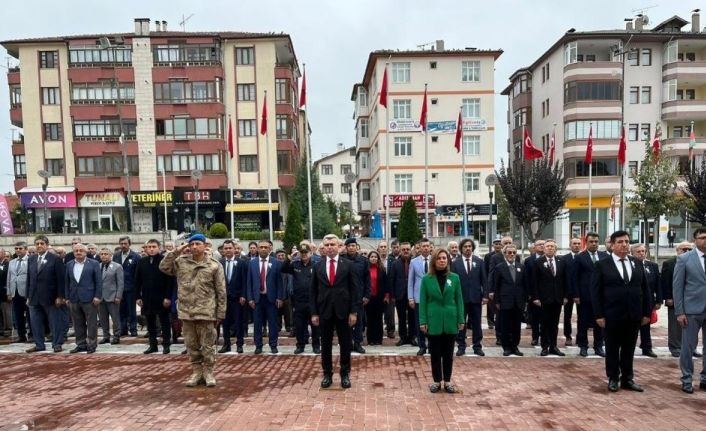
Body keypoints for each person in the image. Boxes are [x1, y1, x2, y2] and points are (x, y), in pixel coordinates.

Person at [160, 234, 226, 387]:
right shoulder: (181, 262)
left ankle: (208, 372)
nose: (194, 247)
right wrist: (178, 250)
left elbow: (221, 291)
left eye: (197, 244)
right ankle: (197, 372)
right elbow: (164, 266)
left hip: (206, 311)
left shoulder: (214, 265)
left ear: (205, 246)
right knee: (191, 345)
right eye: (192, 244)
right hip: (187, 311)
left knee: (208, 345)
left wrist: (221, 312)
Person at [591, 230, 651, 393]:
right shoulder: (602, 264)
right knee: (611, 348)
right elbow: (595, 292)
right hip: (611, 315)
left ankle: (627, 378)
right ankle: (613, 378)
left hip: (633, 314)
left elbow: (645, 289)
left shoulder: (637, 263)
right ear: (611, 245)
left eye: (626, 241)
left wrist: (647, 312)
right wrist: (599, 315)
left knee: (629, 348)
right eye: (620, 242)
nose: (624, 245)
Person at [311, 234, 360, 389]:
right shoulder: (317, 266)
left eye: (333, 244)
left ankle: (345, 374)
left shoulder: (348, 265)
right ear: (323, 248)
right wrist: (314, 313)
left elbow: (354, 289)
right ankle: (327, 374)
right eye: (327, 245)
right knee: (325, 344)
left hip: (344, 311)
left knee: (345, 344)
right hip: (324, 311)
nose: (330, 247)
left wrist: (353, 312)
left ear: (339, 246)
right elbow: (313, 291)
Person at [419, 248, 464, 394]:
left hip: (451, 319)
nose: (442, 260)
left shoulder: (455, 278)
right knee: (435, 353)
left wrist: (461, 319)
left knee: (448, 353)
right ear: (434, 261)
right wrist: (423, 321)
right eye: (439, 258)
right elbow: (423, 301)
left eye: (444, 258)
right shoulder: (427, 279)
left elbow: (459, 300)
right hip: (434, 320)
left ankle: (448, 381)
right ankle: (436, 381)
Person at [672, 228, 706, 394]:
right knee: (688, 347)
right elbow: (677, 287)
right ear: (695, 240)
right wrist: (680, 312)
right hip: (692, 310)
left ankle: (705, 378)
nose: (705, 240)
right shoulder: (684, 259)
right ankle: (687, 379)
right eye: (702, 238)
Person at [26, 235, 67, 353]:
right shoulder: (31, 259)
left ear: (47, 245)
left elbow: (61, 279)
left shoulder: (55, 259)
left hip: (51, 297)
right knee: (35, 322)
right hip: (34, 297)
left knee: (54, 322)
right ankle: (39, 344)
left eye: (41, 243)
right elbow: (29, 279)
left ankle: (57, 344)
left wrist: (60, 296)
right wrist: (28, 296)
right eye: (37, 243)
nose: (39, 246)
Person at [532, 239, 571, 356]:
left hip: (557, 298)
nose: (550, 248)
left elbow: (566, 280)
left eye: (552, 246)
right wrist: (536, 297)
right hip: (544, 299)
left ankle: (553, 346)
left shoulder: (561, 262)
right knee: (544, 324)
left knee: (554, 324)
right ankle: (545, 346)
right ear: (544, 249)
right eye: (547, 246)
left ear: (556, 249)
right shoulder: (538, 262)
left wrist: (565, 296)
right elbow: (534, 281)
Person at [136, 239, 174, 354]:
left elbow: (170, 280)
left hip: (162, 298)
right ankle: (153, 345)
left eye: (154, 246)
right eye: (149, 247)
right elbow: (137, 281)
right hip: (147, 297)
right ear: (145, 248)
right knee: (150, 322)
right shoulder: (142, 262)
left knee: (164, 322)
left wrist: (168, 297)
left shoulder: (164, 260)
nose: (151, 249)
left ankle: (166, 345)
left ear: (159, 247)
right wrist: (138, 297)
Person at [450, 238, 487, 356]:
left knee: (476, 323)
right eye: (465, 246)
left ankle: (477, 346)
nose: (467, 248)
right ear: (461, 248)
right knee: (461, 323)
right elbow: (451, 281)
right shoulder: (455, 263)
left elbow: (484, 280)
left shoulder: (479, 262)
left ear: (472, 248)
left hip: (476, 298)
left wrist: (485, 295)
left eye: (470, 246)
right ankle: (461, 346)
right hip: (461, 299)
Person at [281, 244, 320, 354]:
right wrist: (290, 258)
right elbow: (283, 269)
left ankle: (316, 346)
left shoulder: (316, 265)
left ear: (310, 253)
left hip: (313, 301)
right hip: (299, 301)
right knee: (299, 326)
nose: (304, 255)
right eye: (302, 253)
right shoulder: (295, 264)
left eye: (306, 252)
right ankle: (300, 346)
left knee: (315, 325)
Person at [247, 240, 284, 354]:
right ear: (258, 249)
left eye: (265, 247)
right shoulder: (252, 263)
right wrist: (250, 298)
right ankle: (258, 346)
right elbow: (249, 282)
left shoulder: (276, 262)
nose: (263, 249)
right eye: (261, 247)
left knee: (273, 323)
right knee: (257, 324)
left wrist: (280, 297)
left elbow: (280, 282)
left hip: (271, 298)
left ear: (270, 249)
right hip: (257, 299)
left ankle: (273, 345)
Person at [574, 232, 607, 357]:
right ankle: (583, 346)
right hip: (584, 296)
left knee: (600, 321)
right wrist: (576, 295)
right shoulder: (579, 257)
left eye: (596, 242)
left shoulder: (604, 256)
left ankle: (598, 346)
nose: (594, 244)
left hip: (601, 296)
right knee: (582, 322)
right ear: (586, 243)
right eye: (591, 242)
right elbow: (575, 277)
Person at [490, 243, 526, 356]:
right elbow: (496, 285)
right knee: (505, 325)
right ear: (504, 254)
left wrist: (524, 300)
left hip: (518, 301)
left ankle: (515, 346)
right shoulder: (499, 267)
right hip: (505, 301)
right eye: (509, 252)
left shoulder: (521, 267)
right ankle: (506, 347)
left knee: (516, 325)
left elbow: (525, 285)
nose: (512, 255)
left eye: (514, 253)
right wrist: (497, 301)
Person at [65, 243, 102, 354]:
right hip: (74, 298)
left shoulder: (94, 264)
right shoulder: (69, 264)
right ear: (73, 252)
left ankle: (91, 344)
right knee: (77, 323)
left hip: (90, 298)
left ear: (86, 252)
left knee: (91, 323)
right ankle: (80, 344)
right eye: (76, 250)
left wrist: (98, 296)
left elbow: (98, 282)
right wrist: (67, 297)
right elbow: (66, 282)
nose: (78, 252)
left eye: (81, 250)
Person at [662, 241, 694, 358]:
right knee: (675, 325)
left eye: (689, 249)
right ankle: (675, 347)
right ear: (678, 250)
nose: (687, 251)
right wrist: (668, 297)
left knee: (691, 325)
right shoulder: (669, 263)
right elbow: (665, 282)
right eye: (684, 249)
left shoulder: (695, 262)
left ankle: (691, 347)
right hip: (675, 299)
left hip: (692, 300)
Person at [630, 243, 662, 358]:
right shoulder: (629, 265)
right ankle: (629, 348)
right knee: (631, 326)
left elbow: (658, 284)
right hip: (633, 301)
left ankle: (647, 347)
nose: (641, 253)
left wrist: (658, 300)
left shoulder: (652, 265)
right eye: (638, 251)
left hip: (648, 301)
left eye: (643, 251)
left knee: (646, 325)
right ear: (632, 253)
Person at [217, 240, 249, 354]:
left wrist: (243, 295)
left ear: (234, 249)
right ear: (223, 250)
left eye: (230, 248)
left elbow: (245, 281)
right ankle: (226, 344)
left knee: (238, 322)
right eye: (225, 248)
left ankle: (239, 344)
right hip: (224, 299)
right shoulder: (219, 263)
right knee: (225, 323)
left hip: (238, 298)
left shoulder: (241, 263)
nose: (228, 250)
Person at [342, 238, 371, 354]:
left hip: (359, 296)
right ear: (346, 247)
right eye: (349, 246)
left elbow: (367, 279)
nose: (351, 248)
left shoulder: (363, 261)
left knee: (358, 321)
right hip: (344, 296)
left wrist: (367, 295)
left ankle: (358, 343)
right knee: (345, 321)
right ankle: (348, 343)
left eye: (353, 245)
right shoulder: (341, 259)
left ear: (356, 247)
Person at [389, 242, 416, 347]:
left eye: (407, 249)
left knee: (412, 317)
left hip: (412, 295)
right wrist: (393, 295)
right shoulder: (395, 264)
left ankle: (412, 337)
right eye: (403, 249)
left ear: (410, 250)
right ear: (400, 250)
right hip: (399, 295)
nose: (406, 251)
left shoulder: (414, 262)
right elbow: (391, 280)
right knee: (401, 318)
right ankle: (403, 337)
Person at [408, 238, 432, 355]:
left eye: (428, 246)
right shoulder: (414, 262)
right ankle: (422, 346)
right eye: (423, 246)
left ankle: (432, 345)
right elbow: (410, 281)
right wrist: (411, 297)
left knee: (432, 322)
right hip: (418, 298)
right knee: (419, 323)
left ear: (430, 247)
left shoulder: (435, 260)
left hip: (433, 297)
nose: (426, 248)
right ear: (420, 247)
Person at [114, 236, 140, 337]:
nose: (123, 246)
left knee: (131, 310)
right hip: (119, 288)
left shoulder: (136, 256)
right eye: (121, 244)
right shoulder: (116, 256)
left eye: (125, 243)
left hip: (131, 288)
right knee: (121, 310)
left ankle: (133, 329)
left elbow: (138, 274)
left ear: (129, 244)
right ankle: (123, 329)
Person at [98, 247, 124, 345]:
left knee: (115, 318)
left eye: (106, 254)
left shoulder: (117, 266)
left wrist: (118, 296)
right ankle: (106, 336)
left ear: (110, 255)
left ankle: (116, 336)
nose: (103, 256)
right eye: (102, 254)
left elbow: (120, 283)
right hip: (100, 298)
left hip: (113, 296)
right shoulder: (98, 266)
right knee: (103, 319)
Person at [7, 242, 30, 342]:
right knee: (18, 315)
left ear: (25, 249)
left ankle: (32, 334)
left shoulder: (30, 260)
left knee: (30, 315)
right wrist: (9, 292)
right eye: (16, 248)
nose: (18, 250)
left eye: (20, 248)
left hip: (26, 292)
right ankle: (21, 335)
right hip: (15, 292)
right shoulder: (12, 262)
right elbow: (9, 277)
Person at [524, 239, 545, 346]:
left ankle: (546, 338)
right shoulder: (529, 261)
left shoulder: (551, 259)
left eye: (543, 244)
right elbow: (526, 278)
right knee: (535, 318)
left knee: (546, 318)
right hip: (534, 293)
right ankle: (535, 337)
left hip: (547, 294)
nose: (542, 246)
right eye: (539, 244)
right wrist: (529, 294)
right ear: (534, 247)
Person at [562, 237, 582, 346]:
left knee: (582, 316)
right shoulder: (564, 259)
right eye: (574, 243)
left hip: (581, 292)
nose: (577, 245)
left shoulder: (584, 257)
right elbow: (563, 277)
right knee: (567, 315)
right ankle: (568, 336)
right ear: (570, 245)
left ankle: (580, 337)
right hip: (568, 292)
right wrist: (564, 294)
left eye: (578, 243)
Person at [365, 251, 387, 345]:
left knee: (378, 319)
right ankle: (370, 339)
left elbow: (386, 284)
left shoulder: (382, 269)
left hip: (379, 298)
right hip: (369, 298)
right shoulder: (365, 270)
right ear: (368, 258)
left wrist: (386, 296)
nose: (373, 258)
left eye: (375, 257)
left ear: (378, 259)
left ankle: (378, 339)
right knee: (370, 319)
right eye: (372, 257)